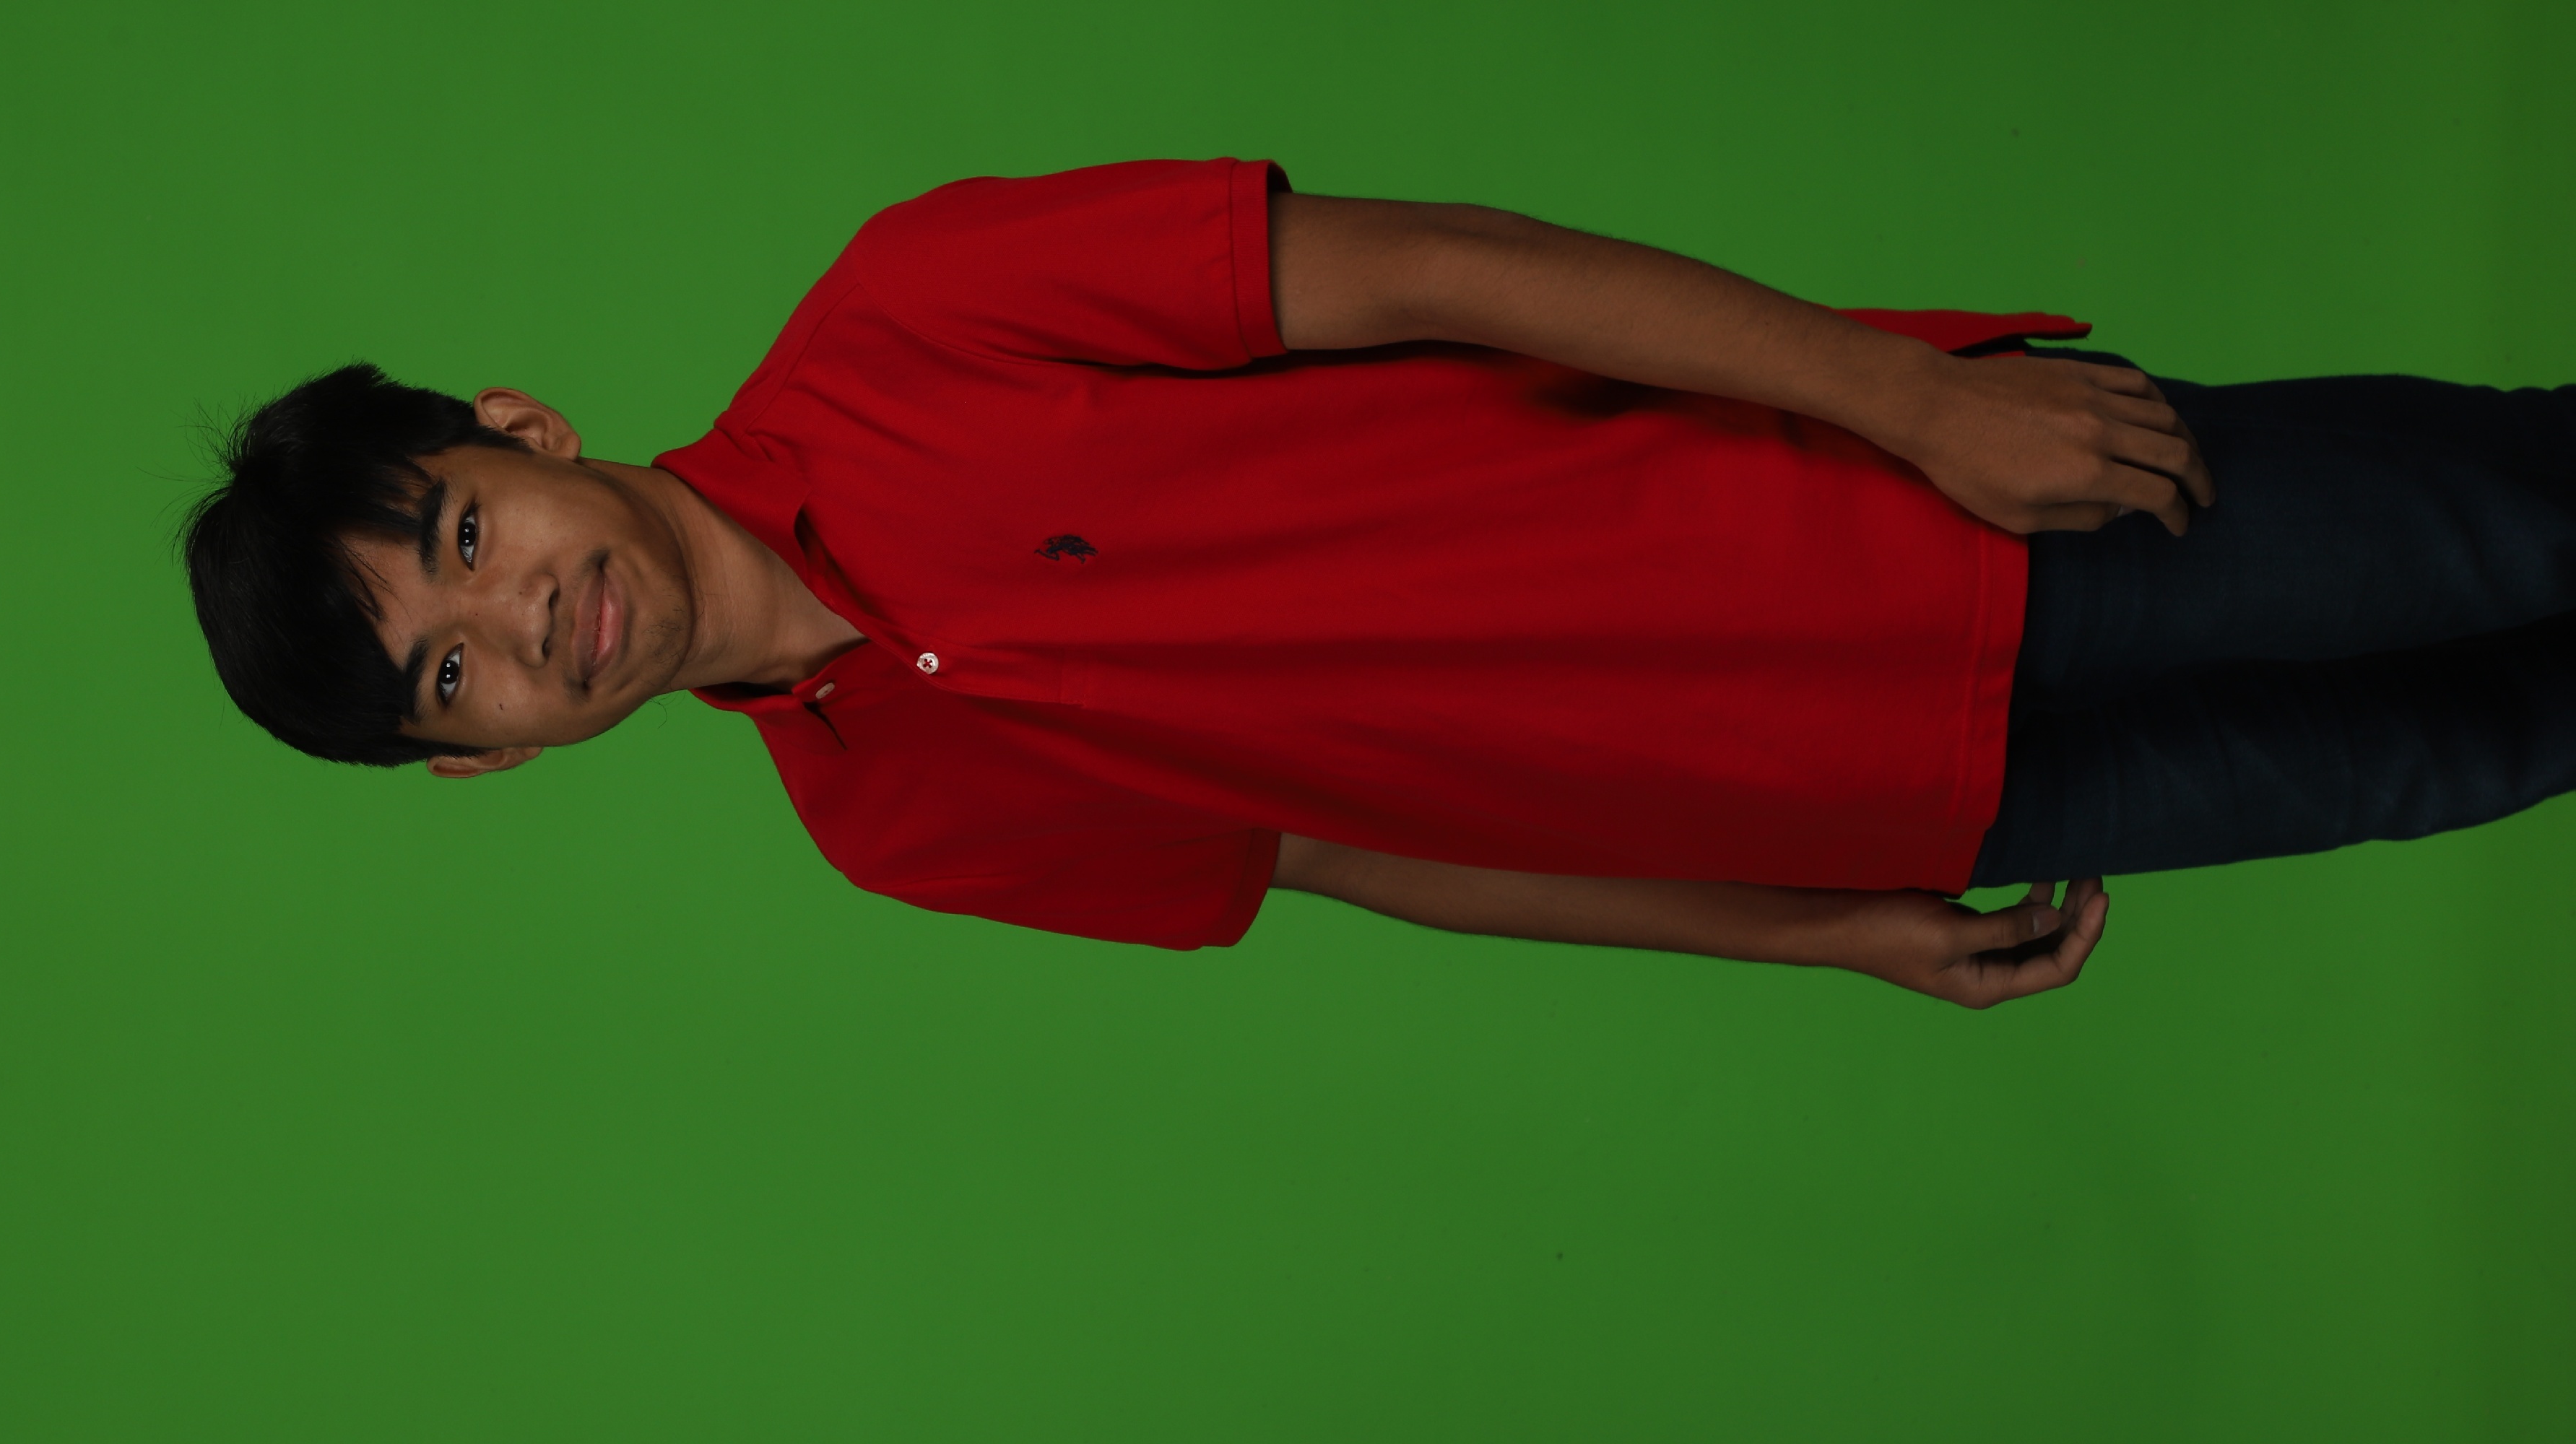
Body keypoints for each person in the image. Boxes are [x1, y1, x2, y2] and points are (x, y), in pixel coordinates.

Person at [181, 159, 2576, 1007]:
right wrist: (1816, 929)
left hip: (1911, 518)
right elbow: (1360, 857)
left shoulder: (911, 310)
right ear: (479, 763)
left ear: (520, 433)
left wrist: (1905, 400)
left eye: (467, 541)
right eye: (454, 680)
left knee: (2522, 522)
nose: (521, 626)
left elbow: (1444, 267)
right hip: (1884, 794)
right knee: (2459, 752)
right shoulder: (888, 823)